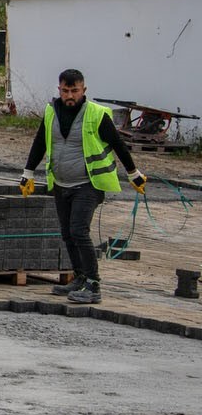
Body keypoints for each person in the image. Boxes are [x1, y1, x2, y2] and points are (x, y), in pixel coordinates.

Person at [19, 67, 145, 305]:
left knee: (79, 231)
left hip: (88, 184)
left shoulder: (96, 114)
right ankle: (80, 277)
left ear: (83, 90)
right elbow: (40, 142)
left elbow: (118, 144)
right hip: (60, 183)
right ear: (59, 89)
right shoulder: (51, 112)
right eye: (65, 90)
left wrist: (133, 173)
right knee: (67, 233)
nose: (70, 95)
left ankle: (93, 284)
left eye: (74, 91)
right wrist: (28, 173)